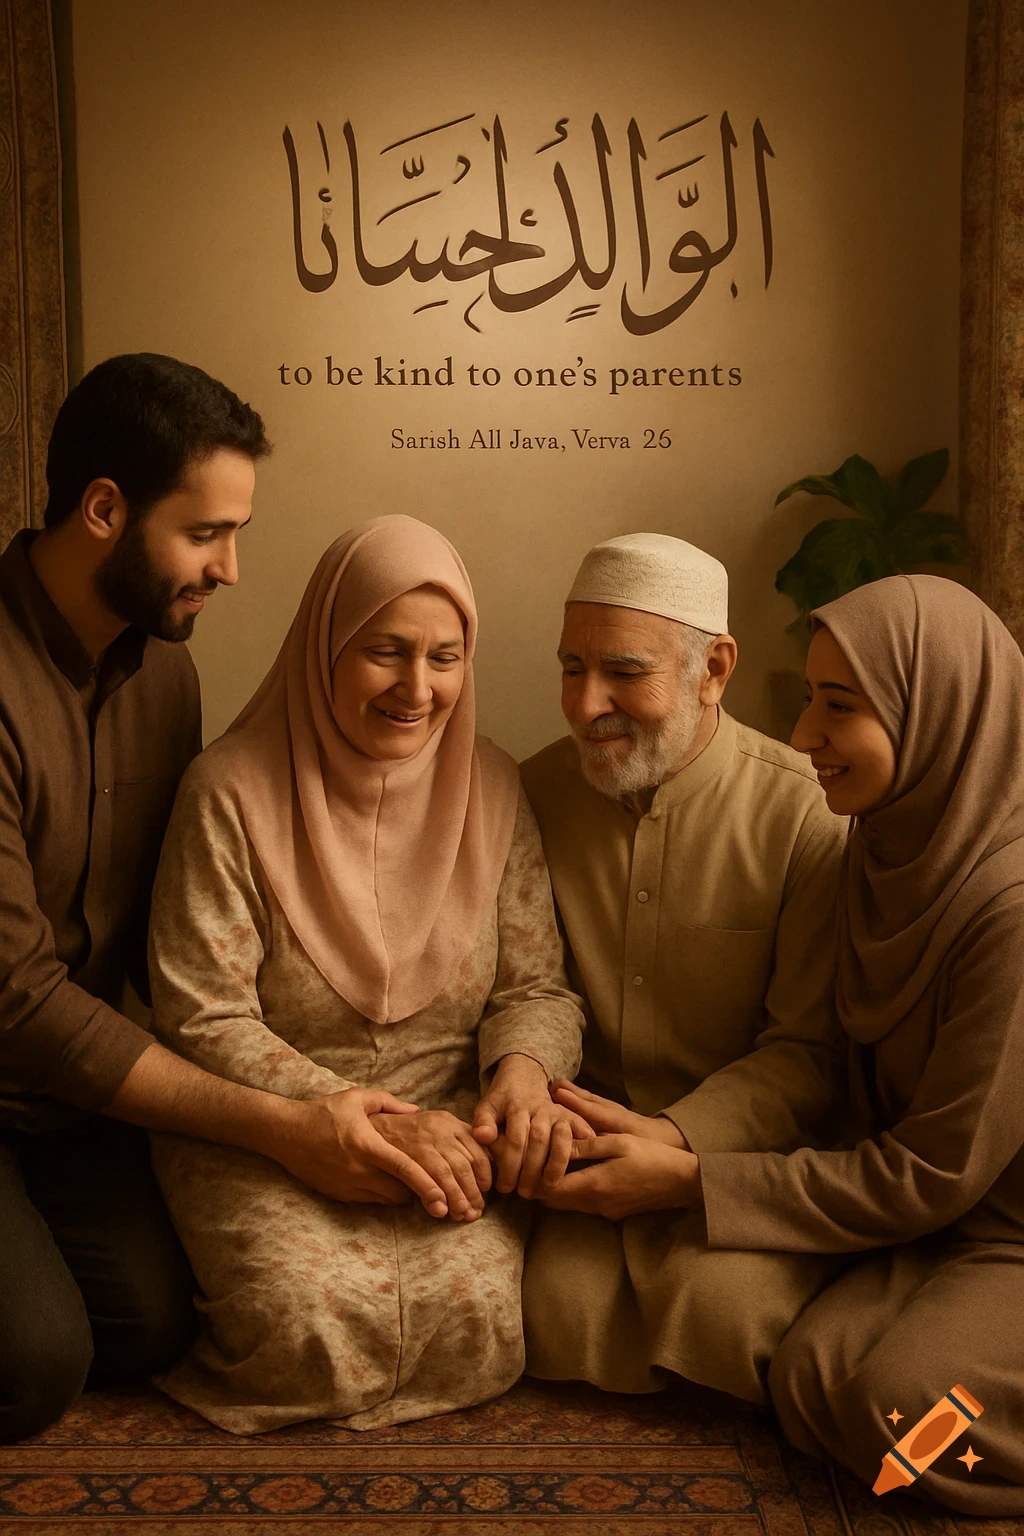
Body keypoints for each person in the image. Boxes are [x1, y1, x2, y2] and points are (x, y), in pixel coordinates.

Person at [0, 355, 445, 1445]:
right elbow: (15, 1000)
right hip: (14, 1050)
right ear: (105, 508)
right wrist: (287, 1126)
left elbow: (183, 930)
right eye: (206, 534)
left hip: (76, 1098)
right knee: (35, 1368)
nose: (233, 569)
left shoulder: (165, 672)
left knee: (154, 1326)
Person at [560, 574, 1024, 1517]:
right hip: (933, 1227)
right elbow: (829, 1064)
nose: (805, 731)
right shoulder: (884, 852)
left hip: (994, 1229)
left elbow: (930, 1174)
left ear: (940, 713)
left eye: (839, 707)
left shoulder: (1010, 912)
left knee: (907, 1412)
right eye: (811, 698)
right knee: (808, 1373)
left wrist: (689, 1179)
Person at [145, 513, 587, 1433]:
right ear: (326, 646)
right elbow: (204, 1016)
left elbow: (534, 989)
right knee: (300, 1316)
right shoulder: (227, 791)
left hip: (449, 1126)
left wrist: (519, 1078)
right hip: (267, 1126)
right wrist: (341, 1120)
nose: (416, 687)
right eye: (384, 651)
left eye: (444, 657)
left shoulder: (495, 788)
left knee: (485, 1318)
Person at [519, 531, 849, 1400]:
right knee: (547, 1314)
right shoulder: (530, 796)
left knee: (729, 1322)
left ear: (715, 669)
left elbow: (809, 1050)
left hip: (739, 1168)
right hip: (578, 1162)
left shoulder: (806, 816)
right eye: (570, 668)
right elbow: (523, 990)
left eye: (625, 673)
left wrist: (673, 1145)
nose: (587, 705)